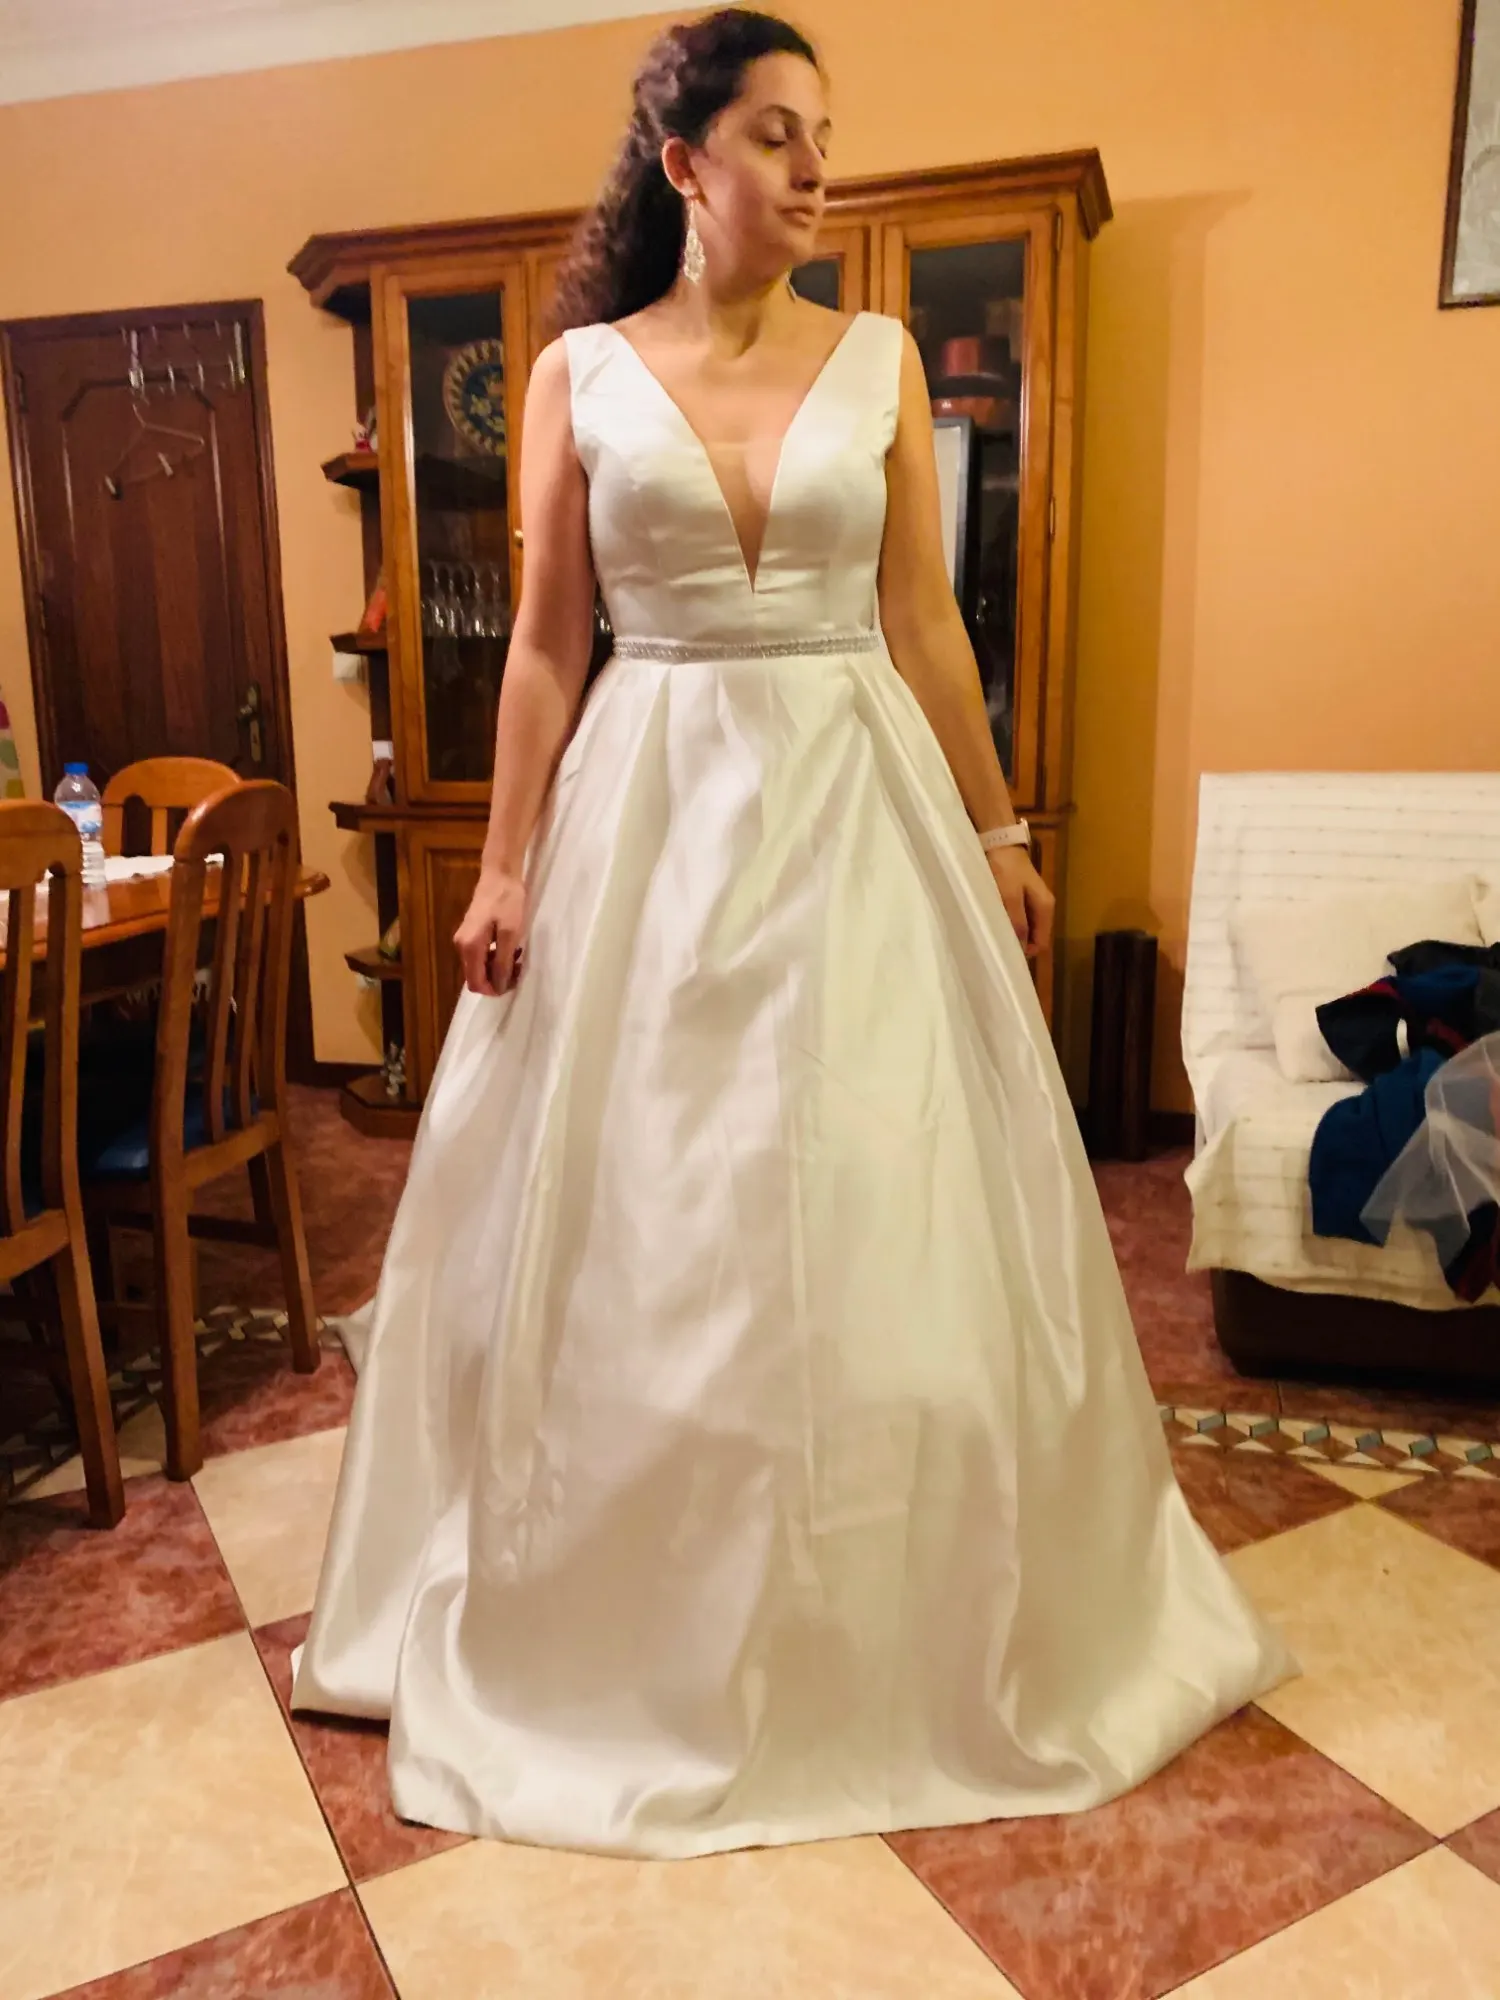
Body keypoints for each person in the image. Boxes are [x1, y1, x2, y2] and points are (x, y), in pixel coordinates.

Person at [293, 6, 1294, 1859]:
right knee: (654, 1207)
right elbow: (545, 646)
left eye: (825, 133)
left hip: (854, 796)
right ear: (685, 163)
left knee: (876, 1170)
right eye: (776, 133)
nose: (815, 165)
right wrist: (502, 868)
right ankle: (637, 1604)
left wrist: (998, 829)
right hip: (650, 811)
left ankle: (894, 1607)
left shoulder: (886, 355)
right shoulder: (576, 373)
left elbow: (925, 622)